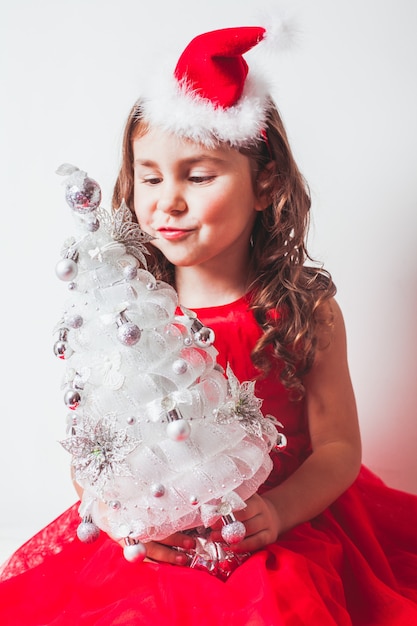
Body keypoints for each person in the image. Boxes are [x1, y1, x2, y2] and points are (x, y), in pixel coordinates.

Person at [0, 25, 416, 626]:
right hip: (161, 533)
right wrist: (120, 514)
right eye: (150, 177)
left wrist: (277, 511)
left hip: (280, 518)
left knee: (276, 605)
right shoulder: (126, 316)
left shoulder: (303, 311)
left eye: (197, 177)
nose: (167, 201)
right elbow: (98, 450)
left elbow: (338, 449)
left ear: (264, 183)